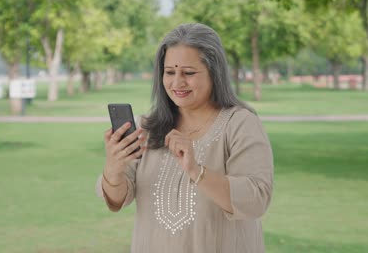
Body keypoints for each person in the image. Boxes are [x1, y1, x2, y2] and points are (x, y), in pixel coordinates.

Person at [96, 23, 274, 253]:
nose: (177, 82)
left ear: (214, 72)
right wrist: (114, 166)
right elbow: (117, 200)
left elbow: (256, 199)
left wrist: (196, 171)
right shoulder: (147, 128)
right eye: (170, 72)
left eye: (188, 73)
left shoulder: (240, 124)